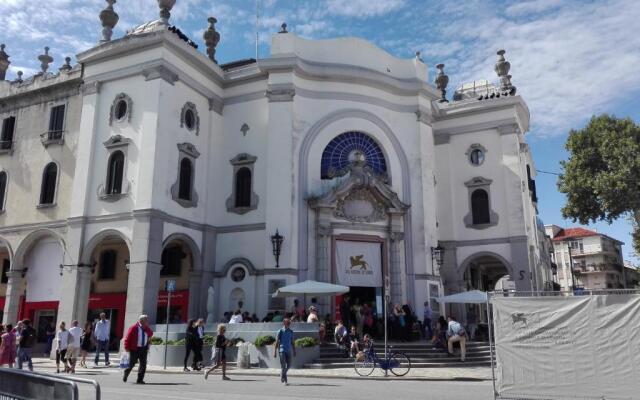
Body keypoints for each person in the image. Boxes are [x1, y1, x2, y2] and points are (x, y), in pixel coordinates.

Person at [123, 314, 154, 384]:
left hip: (144, 348)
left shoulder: (146, 328)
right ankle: (126, 372)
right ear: (142, 321)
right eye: (146, 320)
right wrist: (126, 347)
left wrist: (149, 340)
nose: (147, 321)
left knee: (143, 364)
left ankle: (140, 380)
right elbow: (128, 337)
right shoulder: (134, 327)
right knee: (132, 363)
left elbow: (151, 333)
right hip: (135, 348)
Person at [274, 318, 296, 386]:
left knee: (289, 365)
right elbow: (277, 342)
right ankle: (284, 380)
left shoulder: (291, 331)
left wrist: (294, 350)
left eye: (289, 322)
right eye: (287, 322)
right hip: (282, 350)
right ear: (284, 323)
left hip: (289, 350)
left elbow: (292, 342)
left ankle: (282, 374)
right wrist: (274, 352)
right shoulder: (280, 331)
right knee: (283, 366)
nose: (289, 323)